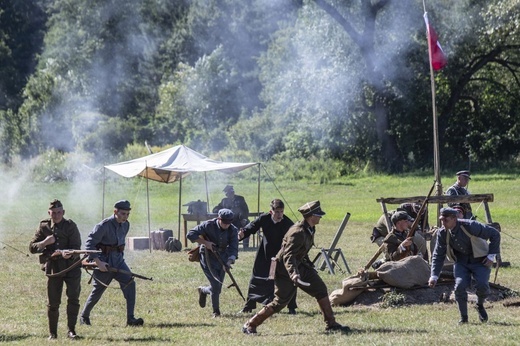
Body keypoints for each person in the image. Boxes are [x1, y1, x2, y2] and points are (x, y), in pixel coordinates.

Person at [242, 201, 350, 334]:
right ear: (311, 216)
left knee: (320, 288)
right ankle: (250, 324)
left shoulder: (310, 228)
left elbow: (300, 252)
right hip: (284, 269)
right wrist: (294, 274)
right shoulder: (297, 232)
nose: (320, 217)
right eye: (318, 215)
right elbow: (289, 256)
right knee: (280, 302)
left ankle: (331, 324)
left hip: (300, 265)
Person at [428, 207, 500, 324]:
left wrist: (491, 256)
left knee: (483, 285)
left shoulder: (471, 226)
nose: (443, 223)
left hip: (480, 260)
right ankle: (464, 318)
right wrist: (434, 276)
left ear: (454, 219)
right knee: (459, 287)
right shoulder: (442, 233)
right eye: (442, 220)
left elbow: (494, 234)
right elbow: (438, 255)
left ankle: (480, 305)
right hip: (461, 262)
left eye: (445, 220)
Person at [80, 200, 144, 326]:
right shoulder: (103, 226)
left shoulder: (126, 225)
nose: (125, 217)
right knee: (98, 290)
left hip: (119, 261)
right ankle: (84, 316)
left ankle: (130, 318)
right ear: (115, 212)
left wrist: (119, 258)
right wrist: (98, 263)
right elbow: (89, 244)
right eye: (123, 214)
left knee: (130, 283)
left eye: (127, 214)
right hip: (103, 261)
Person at [29, 199, 82, 340]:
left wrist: (67, 254)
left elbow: (77, 247)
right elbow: (32, 248)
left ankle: (71, 331)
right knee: (53, 302)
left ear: (63, 212)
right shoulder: (44, 227)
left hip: (71, 267)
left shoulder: (70, 226)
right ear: (49, 213)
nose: (57, 215)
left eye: (59, 212)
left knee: (73, 299)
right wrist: (45, 242)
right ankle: (53, 333)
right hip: (54, 269)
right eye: (54, 213)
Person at [238, 199, 298, 314]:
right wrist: (243, 233)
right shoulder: (264, 218)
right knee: (256, 278)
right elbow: (252, 227)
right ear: (271, 211)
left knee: (287, 280)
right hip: (264, 254)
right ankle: (249, 306)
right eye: (277, 212)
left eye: (281, 211)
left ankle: (291, 307)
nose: (280, 214)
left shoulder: (287, 223)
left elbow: (295, 238)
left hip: (281, 255)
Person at [187, 208, 239, 317]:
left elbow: (234, 248)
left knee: (217, 288)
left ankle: (203, 290)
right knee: (216, 284)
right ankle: (216, 312)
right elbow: (190, 234)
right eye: (224, 222)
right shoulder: (208, 225)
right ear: (219, 219)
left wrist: (229, 262)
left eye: (228, 223)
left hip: (223, 258)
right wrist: (205, 243)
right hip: (207, 256)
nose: (226, 225)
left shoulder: (233, 230)